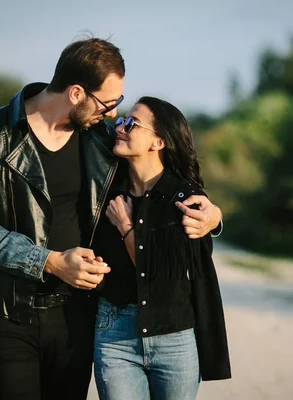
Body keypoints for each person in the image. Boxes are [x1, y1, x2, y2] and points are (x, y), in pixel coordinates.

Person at [0, 37, 224, 400]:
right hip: (7, 312)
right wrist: (49, 262)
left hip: (77, 313)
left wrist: (213, 214)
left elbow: (162, 168)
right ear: (76, 93)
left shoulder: (99, 136)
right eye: (108, 103)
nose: (114, 115)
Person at [91, 96, 231, 400]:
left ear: (158, 142)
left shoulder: (185, 197)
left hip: (174, 336)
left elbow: (157, 273)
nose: (120, 127)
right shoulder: (104, 192)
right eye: (121, 120)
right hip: (115, 331)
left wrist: (126, 227)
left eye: (132, 123)